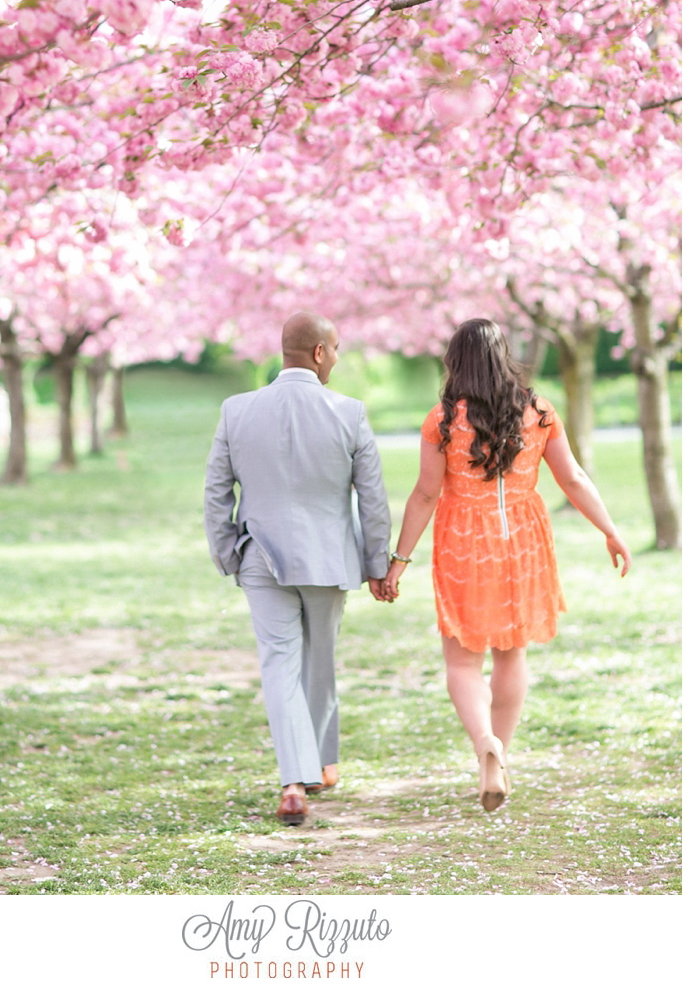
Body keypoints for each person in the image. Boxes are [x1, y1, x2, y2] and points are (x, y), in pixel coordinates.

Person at [384, 318, 631, 812]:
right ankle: (500, 754)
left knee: (461, 660)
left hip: (462, 543)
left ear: (455, 361)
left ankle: (484, 747)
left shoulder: (442, 420)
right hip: (522, 541)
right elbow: (573, 478)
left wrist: (398, 561)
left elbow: (426, 493)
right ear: (504, 357)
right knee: (512, 655)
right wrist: (610, 529)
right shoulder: (539, 411)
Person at [204, 311, 392, 825]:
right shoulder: (350, 413)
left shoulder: (235, 411)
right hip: (329, 559)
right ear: (318, 352)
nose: (336, 359)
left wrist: (228, 553)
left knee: (280, 665)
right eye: (335, 350)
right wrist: (378, 564)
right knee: (319, 663)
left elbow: (216, 492)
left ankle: (299, 778)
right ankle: (317, 768)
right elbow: (372, 500)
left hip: (260, 556)